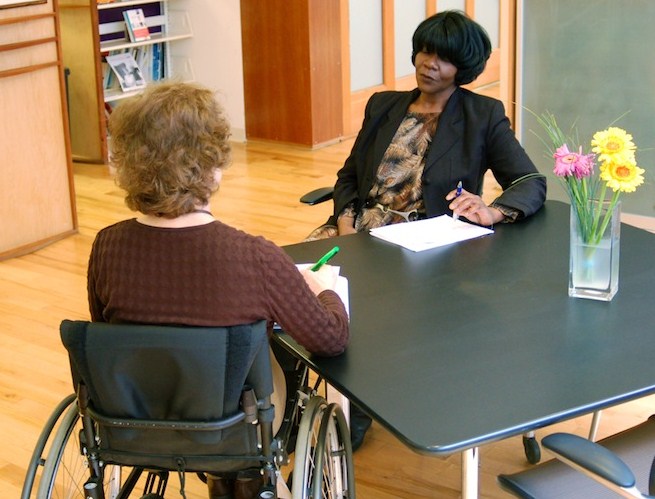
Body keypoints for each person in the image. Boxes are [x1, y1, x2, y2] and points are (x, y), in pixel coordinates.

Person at [87, 82, 349, 499]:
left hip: (136, 415)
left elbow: (108, 331)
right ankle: (243, 478)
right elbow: (331, 340)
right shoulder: (254, 256)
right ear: (212, 167)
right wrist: (322, 291)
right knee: (283, 364)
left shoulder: (106, 246)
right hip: (233, 422)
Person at [306, 10, 546, 450]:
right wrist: (344, 223)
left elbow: (529, 182)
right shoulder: (383, 106)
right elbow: (347, 176)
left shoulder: (482, 115)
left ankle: (356, 408)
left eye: (443, 58)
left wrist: (492, 211)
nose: (428, 63)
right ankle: (295, 406)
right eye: (424, 51)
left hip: (423, 243)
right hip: (356, 228)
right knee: (291, 284)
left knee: (364, 301)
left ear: (464, 67)